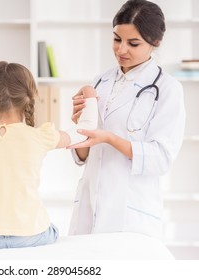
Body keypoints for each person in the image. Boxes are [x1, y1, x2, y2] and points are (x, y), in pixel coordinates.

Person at [68, 0, 186, 239]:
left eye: (133, 43)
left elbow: (161, 158)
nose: (121, 50)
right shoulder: (100, 81)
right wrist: (81, 129)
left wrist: (110, 138)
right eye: (116, 39)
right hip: (88, 205)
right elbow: (85, 156)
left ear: (156, 43)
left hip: (130, 213)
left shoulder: (167, 89)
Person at [0, 61, 97, 250]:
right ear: (30, 97)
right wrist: (89, 94)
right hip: (29, 235)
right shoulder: (39, 136)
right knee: (51, 230)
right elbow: (84, 131)